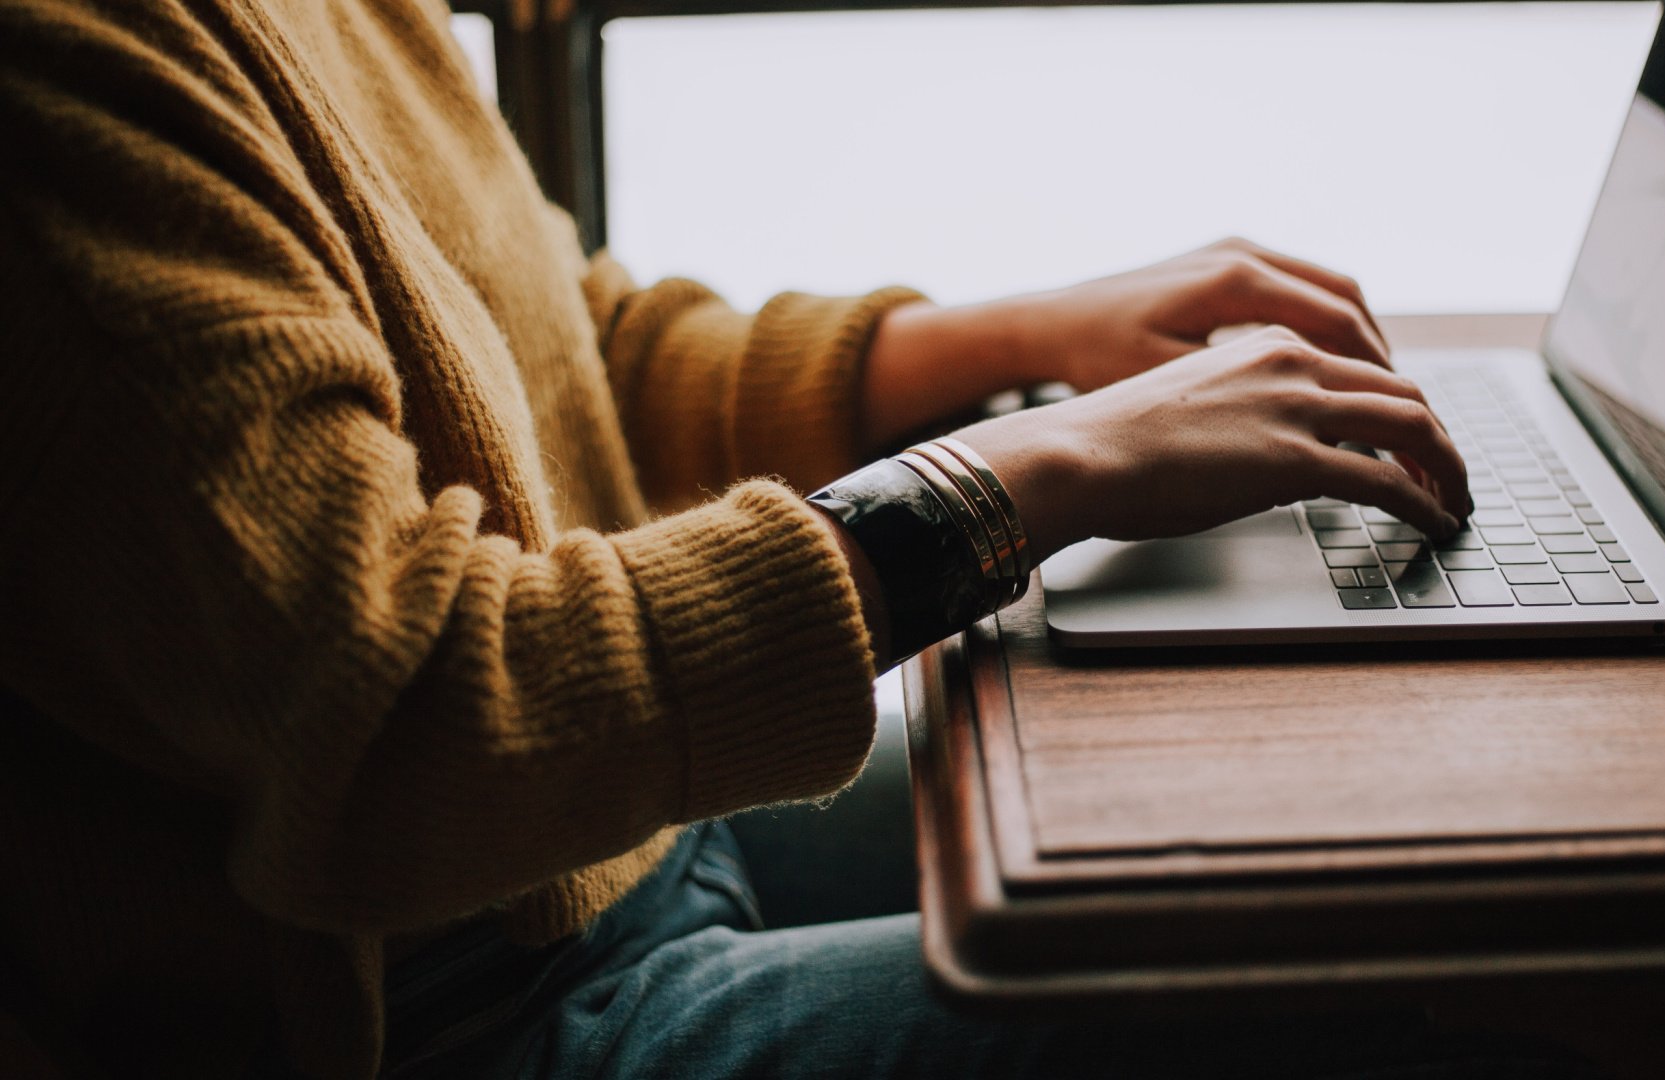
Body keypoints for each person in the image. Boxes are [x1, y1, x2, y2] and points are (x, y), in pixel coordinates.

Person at [0, 2, 1582, 1078]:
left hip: (620, 834)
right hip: (448, 1009)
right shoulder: (59, 78)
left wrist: (1014, 339)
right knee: (1346, 1002)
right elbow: (413, 723)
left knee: (1320, 832)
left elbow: (560, 349)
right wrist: (1018, 475)